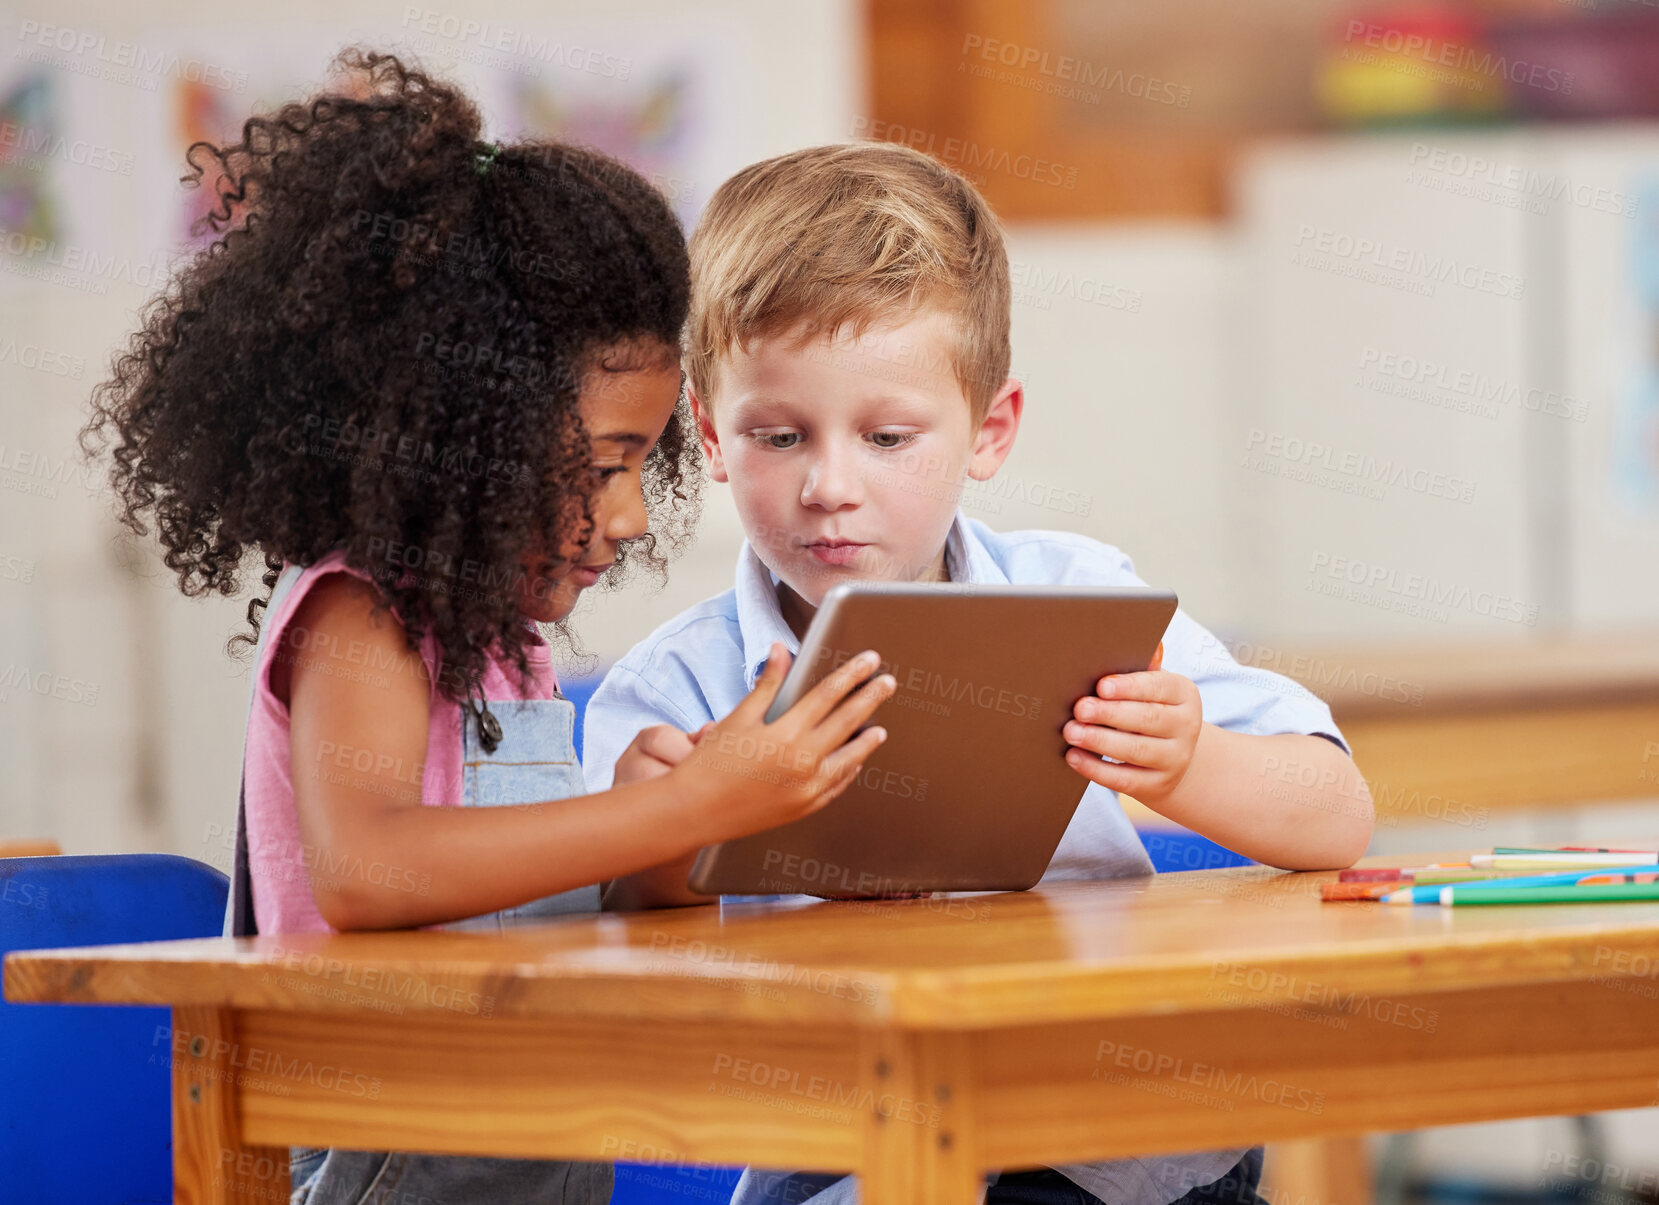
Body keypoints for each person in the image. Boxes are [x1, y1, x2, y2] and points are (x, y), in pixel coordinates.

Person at [83, 53, 894, 1205]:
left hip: (533, 1127)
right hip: (392, 1145)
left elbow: (530, 900)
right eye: (606, 466)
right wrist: (672, 807)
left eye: (643, 465)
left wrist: (673, 849)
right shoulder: (362, 612)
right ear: (466, 434)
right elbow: (367, 868)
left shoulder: (503, 646)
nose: (625, 518)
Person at [580, 141, 1374, 1205]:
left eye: (889, 436)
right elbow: (611, 945)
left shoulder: (1078, 598)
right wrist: (673, 824)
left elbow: (1336, 817)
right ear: (712, 441)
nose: (829, 484)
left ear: (988, 431)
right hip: (847, 1144)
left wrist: (1191, 760)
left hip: (1109, 1133)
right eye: (777, 435)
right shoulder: (674, 683)